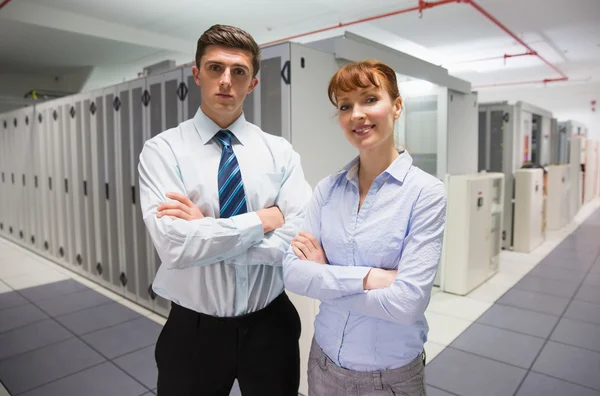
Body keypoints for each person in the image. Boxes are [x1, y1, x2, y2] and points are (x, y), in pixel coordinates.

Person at [138, 24, 311, 396]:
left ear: (253, 83)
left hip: (271, 325)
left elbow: (299, 239)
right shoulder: (163, 151)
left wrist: (209, 230)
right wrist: (264, 220)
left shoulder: (280, 153)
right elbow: (175, 248)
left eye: (239, 71)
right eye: (215, 68)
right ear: (197, 74)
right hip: (193, 332)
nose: (226, 81)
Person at [282, 60, 447, 396]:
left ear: (397, 106)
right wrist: (371, 278)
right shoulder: (327, 190)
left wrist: (325, 274)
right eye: (345, 106)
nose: (356, 114)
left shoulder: (425, 193)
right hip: (323, 364)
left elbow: (407, 304)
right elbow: (292, 274)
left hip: (390, 378)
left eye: (370, 99)